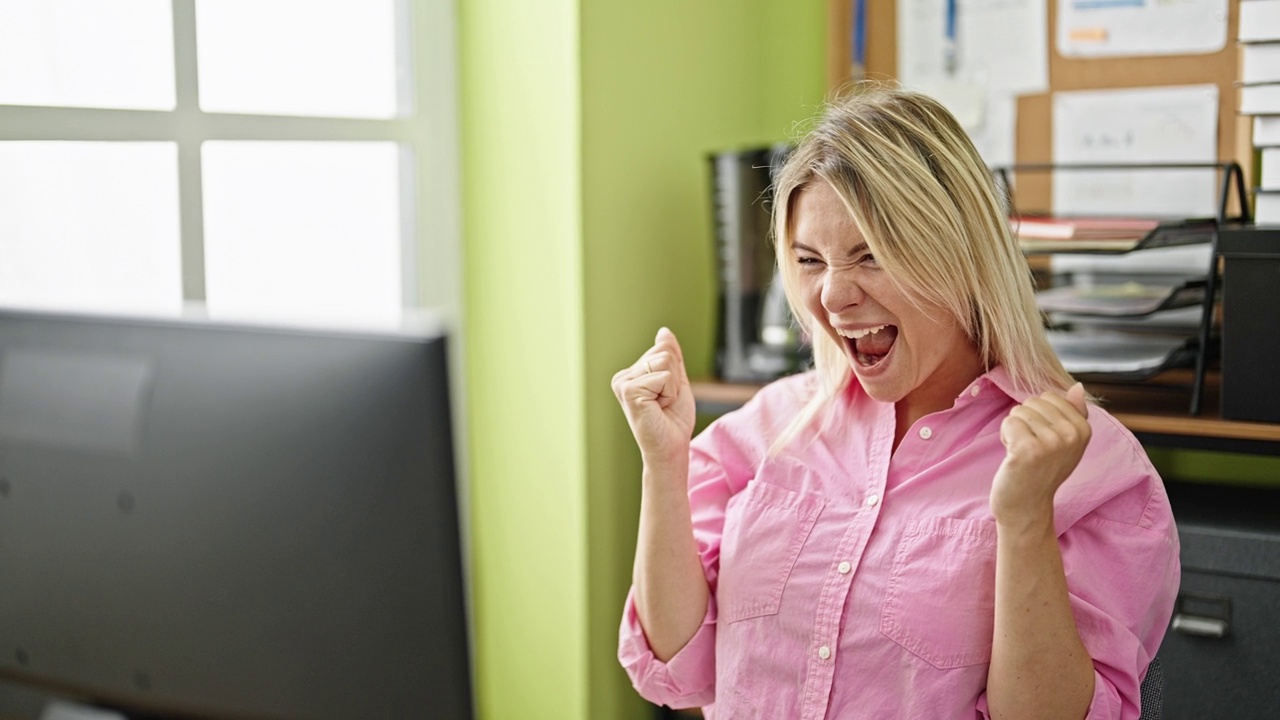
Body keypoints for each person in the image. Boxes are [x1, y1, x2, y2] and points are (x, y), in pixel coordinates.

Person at [611, 85, 1179, 719]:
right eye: (808, 260)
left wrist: (1024, 523)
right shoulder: (769, 428)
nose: (831, 296)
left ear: (960, 256)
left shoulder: (1092, 467)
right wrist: (664, 466)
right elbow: (676, 671)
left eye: (869, 256)